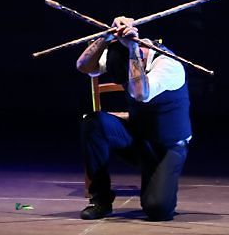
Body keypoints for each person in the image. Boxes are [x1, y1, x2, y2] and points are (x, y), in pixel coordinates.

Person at [76, 16, 191, 221]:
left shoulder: (168, 64)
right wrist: (105, 36)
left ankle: (158, 180)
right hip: (138, 136)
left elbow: (140, 93)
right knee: (93, 123)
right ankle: (100, 200)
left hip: (166, 147)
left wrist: (133, 49)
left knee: (157, 210)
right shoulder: (119, 53)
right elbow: (83, 66)